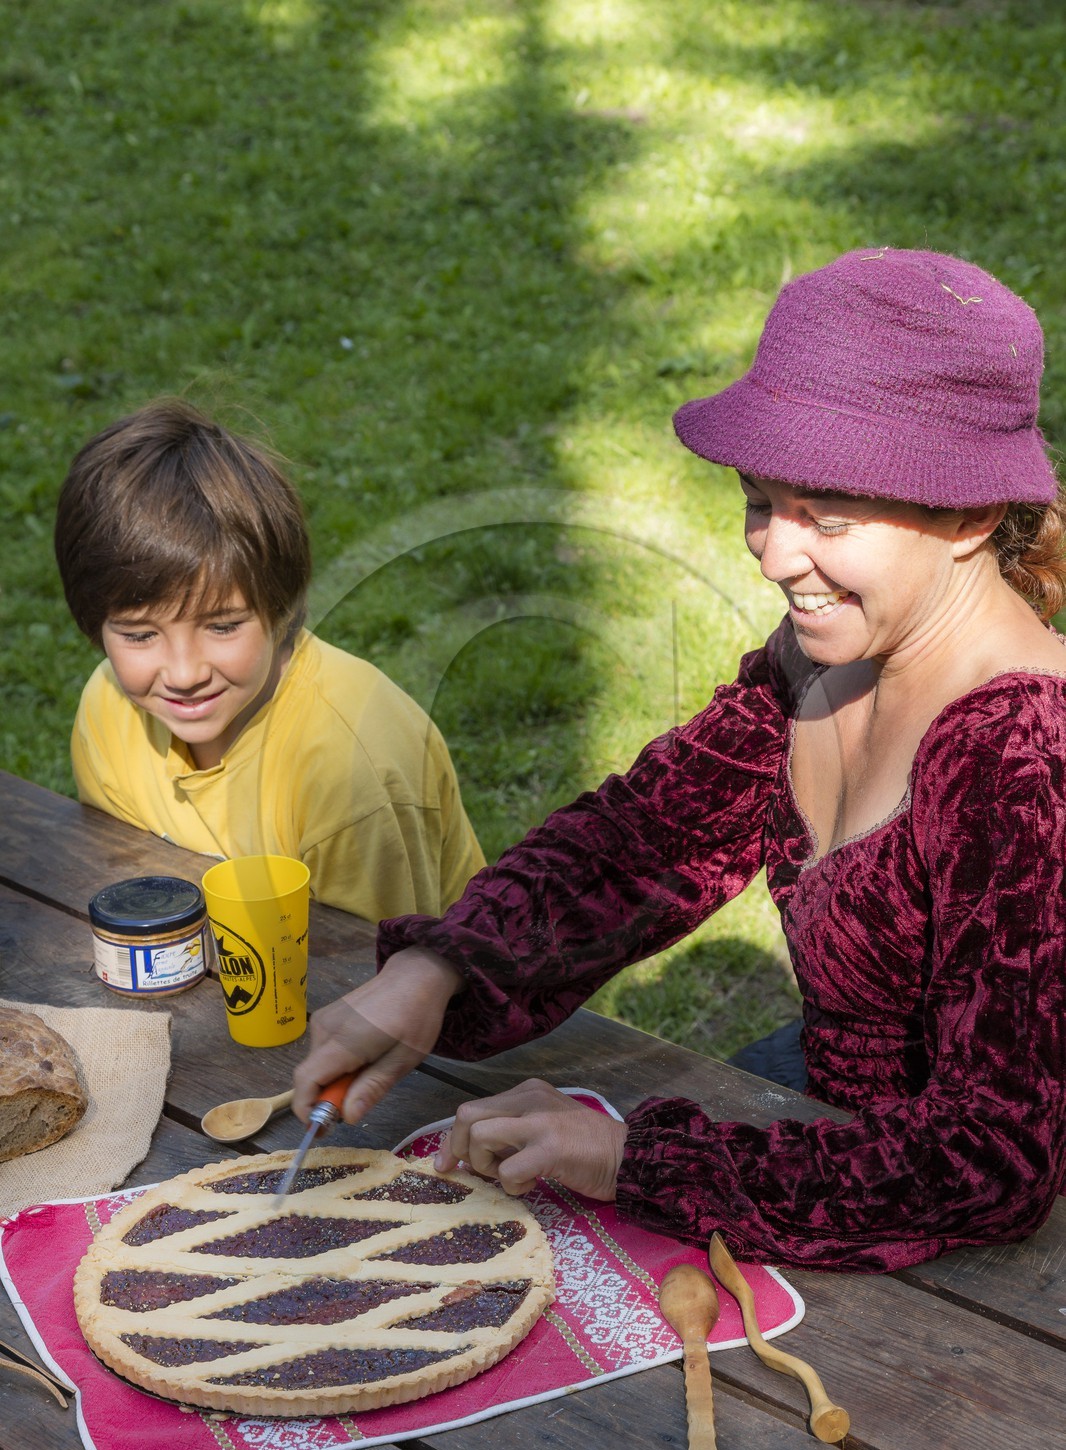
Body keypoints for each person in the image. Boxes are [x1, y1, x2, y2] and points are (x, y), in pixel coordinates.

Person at [291, 248, 1066, 1271]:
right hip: (825, 1126)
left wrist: (634, 1159)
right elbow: (646, 840)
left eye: (827, 516)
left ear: (969, 515)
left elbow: (990, 1159)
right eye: (759, 499)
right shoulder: (819, 656)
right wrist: (442, 967)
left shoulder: (1027, 758)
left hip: (987, 1253)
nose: (774, 553)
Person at [54, 400, 485, 921]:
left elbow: (379, 964)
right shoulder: (109, 709)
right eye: (140, 635)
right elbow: (126, 905)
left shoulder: (352, 772)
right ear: (95, 625)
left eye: (222, 626)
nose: (185, 674)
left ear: (279, 606)